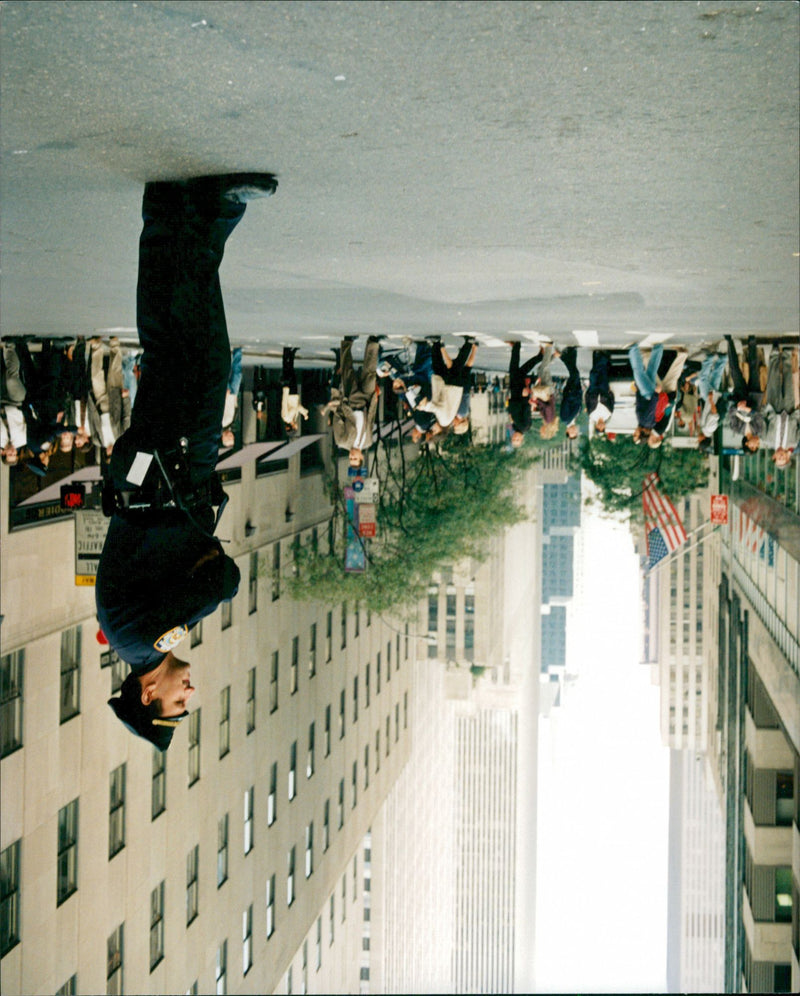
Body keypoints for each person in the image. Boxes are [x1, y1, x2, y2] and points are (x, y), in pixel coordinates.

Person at [98, 172, 277, 750]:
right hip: (153, 472)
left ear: (147, 695)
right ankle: (168, 214)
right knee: (171, 344)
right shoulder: (130, 638)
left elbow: (222, 581)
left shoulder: (148, 640)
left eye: (178, 702)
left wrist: (209, 567)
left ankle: (209, 213)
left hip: (174, 470)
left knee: (200, 353)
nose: (189, 692)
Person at [322, 335, 381, 467]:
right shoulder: (368, 442)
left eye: (350, 459)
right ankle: (373, 342)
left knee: (347, 371)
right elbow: (371, 421)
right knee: (370, 374)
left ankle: (347, 342)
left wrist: (340, 399)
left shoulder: (342, 442)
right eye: (355, 459)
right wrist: (375, 401)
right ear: (361, 457)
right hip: (366, 402)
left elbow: (338, 418)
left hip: (351, 402)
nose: (352, 456)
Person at [725, 335, 766, 451]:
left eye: (754, 446)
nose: (757, 444)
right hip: (754, 396)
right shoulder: (759, 430)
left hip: (740, 397)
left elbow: (731, 414)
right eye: (757, 445)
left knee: (735, 370)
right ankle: (752, 342)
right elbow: (758, 415)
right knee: (754, 369)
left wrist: (738, 407)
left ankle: (729, 342)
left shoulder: (736, 429)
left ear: (747, 444)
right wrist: (748, 410)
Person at [506, 339, 541, 447]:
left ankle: (517, 348)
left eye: (513, 439)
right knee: (515, 371)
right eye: (517, 440)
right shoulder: (525, 427)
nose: (515, 438)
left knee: (517, 371)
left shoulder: (515, 427)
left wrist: (508, 403)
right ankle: (517, 347)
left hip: (514, 395)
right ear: (521, 439)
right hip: (521, 395)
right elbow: (526, 410)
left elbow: (512, 412)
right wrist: (526, 395)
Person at [629, 342, 663, 444]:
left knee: (651, 369)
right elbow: (650, 408)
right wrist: (655, 394)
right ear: (642, 434)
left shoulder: (648, 424)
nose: (634, 433)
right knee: (638, 372)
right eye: (635, 435)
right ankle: (634, 349)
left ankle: (659, 348)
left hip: (648, 393)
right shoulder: (645, 421)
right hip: (647, 393)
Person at [585, 350, 615, 437]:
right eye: (602, 428)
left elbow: (587, 402)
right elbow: (612, 401)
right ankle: (601, 356)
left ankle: (598, 356)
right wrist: (610, 393)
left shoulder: (591, 415)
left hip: (593, 391)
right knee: (603, 373)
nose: (601, 426)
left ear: (596, 426)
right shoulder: (609, 414)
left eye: (599, 428)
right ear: (605, 426)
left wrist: (588, 392)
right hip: (604, 391)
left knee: (593, 374)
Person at [280, 346, 309, 436]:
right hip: (294, 395)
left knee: (286, 371)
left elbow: (284, 403)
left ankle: (286, 352)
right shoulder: (294, 417)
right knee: (292, 373)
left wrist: (285, 390)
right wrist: (304, 413)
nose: (297, 426)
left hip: (289, 394)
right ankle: (292, 354)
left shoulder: (286, 417)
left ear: (292, 427)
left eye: (296, 427)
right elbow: (298, 406)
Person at [220, 346, 243, 447]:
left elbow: (222, 408)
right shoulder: (230, 425)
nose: (230, 436)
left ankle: (224, 350)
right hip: (232, 396)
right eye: (232, 438)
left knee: (227, 372)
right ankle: (237, 352)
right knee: (237, 374)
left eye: (228, 438)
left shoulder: (223, 423)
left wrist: (225, 396)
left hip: (227, 394)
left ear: (222, 438)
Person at [559, 346, 583, 439]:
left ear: (567, 431)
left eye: (571, 432)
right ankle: (571, 352)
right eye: (575, 432)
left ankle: (563, 356)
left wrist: (571, 394)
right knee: (574, 373)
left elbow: (565, 403)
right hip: (577, 392)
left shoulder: (565, 419)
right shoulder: (574, 419)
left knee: (575, 373)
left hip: (571, 392)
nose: (574, 430)